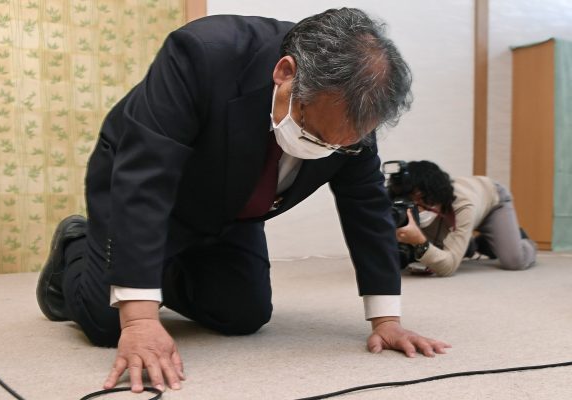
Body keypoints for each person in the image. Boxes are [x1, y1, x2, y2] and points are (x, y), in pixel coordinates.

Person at [36, 8, 450, 394]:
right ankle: (76, 244)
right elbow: (147, 177)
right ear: (285, 73)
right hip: (147, 178)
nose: (321, 150)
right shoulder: (202, 53)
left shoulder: (354, 112)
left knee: (242, 315)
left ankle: (159, 265)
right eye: (311, 132)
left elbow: (366, 206)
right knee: (108, 323)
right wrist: (140, 317)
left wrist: (386, 318)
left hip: (234, 204)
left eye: (337, 146)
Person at [395, 160, 537, 276]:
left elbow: (449, 267)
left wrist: (419, 241)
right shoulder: (400, 205)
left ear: (436, 196)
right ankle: (479, 243)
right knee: (445, 247)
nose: (418, 209)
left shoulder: (463, 204)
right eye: (412, 201)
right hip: (454, 214)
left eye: (423, 201)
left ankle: (523, 241)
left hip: (493, 203)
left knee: (514, 260)